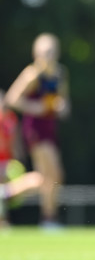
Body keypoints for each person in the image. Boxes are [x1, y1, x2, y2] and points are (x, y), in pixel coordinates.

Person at [5, 33, 69, 230]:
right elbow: (12, 98)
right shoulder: (32, 74)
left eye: (51, 51)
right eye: (44, 51)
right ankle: (49, 220)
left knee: (51, 178)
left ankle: (6, 193)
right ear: (36, 53)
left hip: (50, 130)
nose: (48, 55)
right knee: (52, 174)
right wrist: (37, 107)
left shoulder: (60, 74)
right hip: (35, 130)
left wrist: (62, 108)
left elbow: (65, 103)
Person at [0, 89, 44, 229]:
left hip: (8, 167)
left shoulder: (10, 119)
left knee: (37, 180)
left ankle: (3, 194)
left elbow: (15, 147)